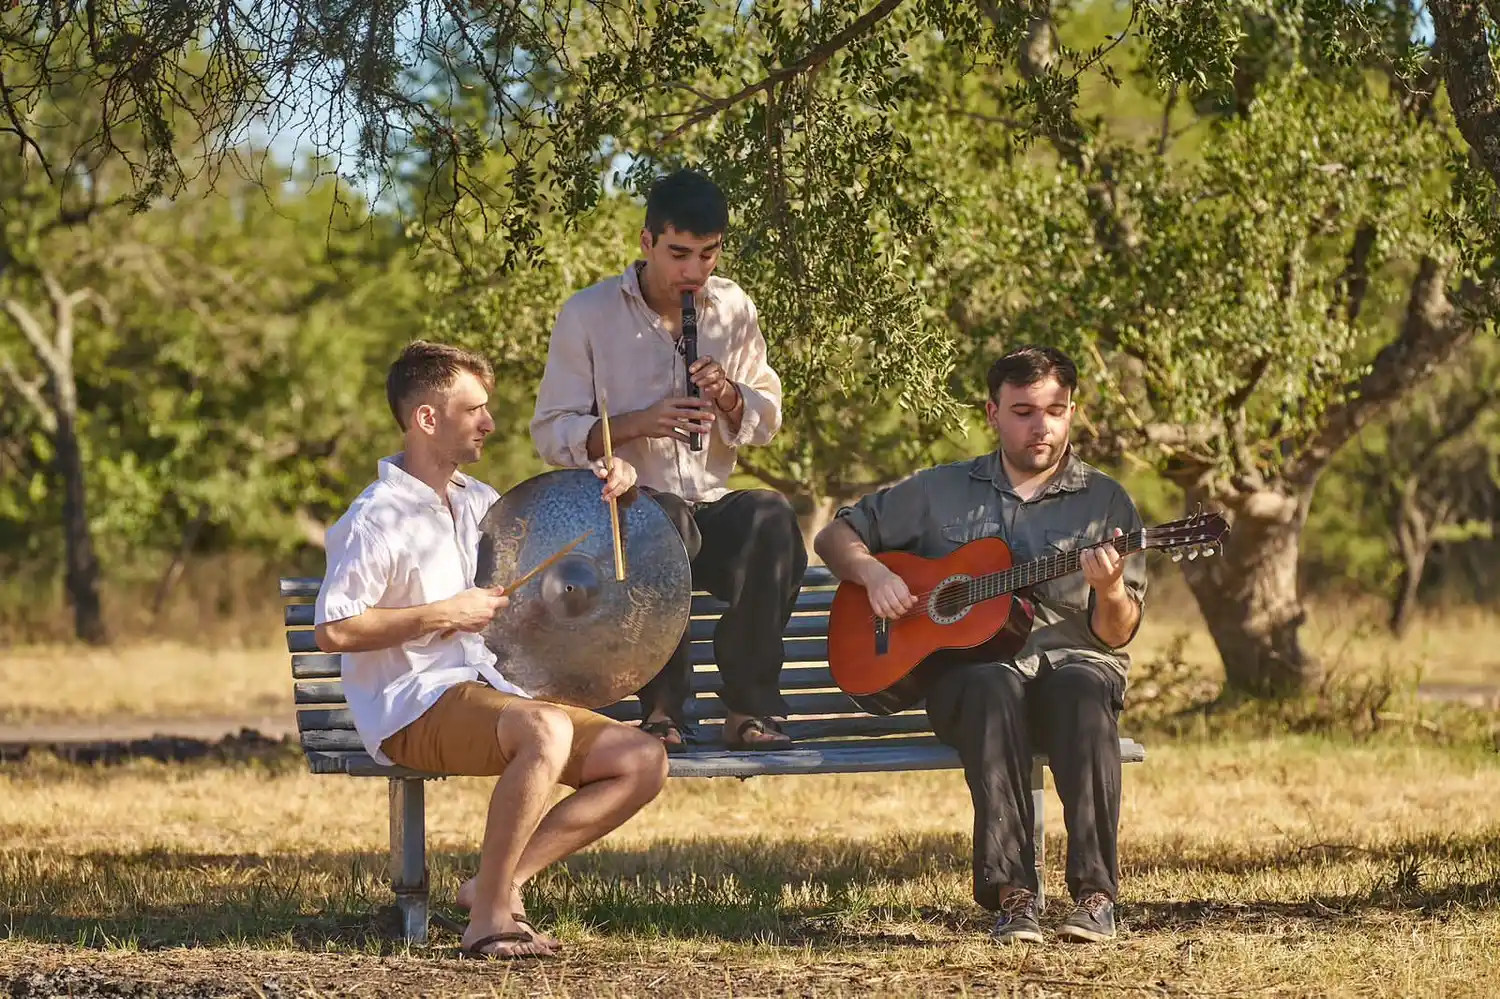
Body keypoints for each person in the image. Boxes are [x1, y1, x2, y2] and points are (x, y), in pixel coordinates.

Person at [313, 340, 669, 961]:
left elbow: (554, 567)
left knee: (641, 759)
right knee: (544, 730)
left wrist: (612, 493)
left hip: (489, 692)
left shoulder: (479, 501)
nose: (489, 422)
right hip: (410, 705)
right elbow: (335, 630)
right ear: (427, 418)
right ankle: (487, 923)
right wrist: (443, 614)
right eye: (474, 409)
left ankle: (494, 887)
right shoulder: (376, 518)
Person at [813, 345, 1146, 945]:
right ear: (993, 413)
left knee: (1082, 691)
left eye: (1056, 411)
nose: (1042, 426)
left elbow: (1116, 634)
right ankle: (1014, 898)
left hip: (1074, 664)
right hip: (971, 679)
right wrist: (873, 574)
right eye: (1023, 411)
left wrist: (1111, 586)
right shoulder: (940, 489)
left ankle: (1095, 897)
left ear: (1072, 413)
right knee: (992, 686)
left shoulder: (1106, 503)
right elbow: (836, 536)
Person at [530, 168, 808, 753]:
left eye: (708, 254)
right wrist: (638, 424)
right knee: (665, 519)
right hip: (626, 521)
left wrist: (729, 395)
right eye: (679, 253)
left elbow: (766, 418)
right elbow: (551, 433)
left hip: (707, 509)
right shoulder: (588, 314)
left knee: (772, 517)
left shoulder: (732, 306)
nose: (694, 271)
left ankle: (749, 709)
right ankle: (664, 711)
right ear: (647, 242)